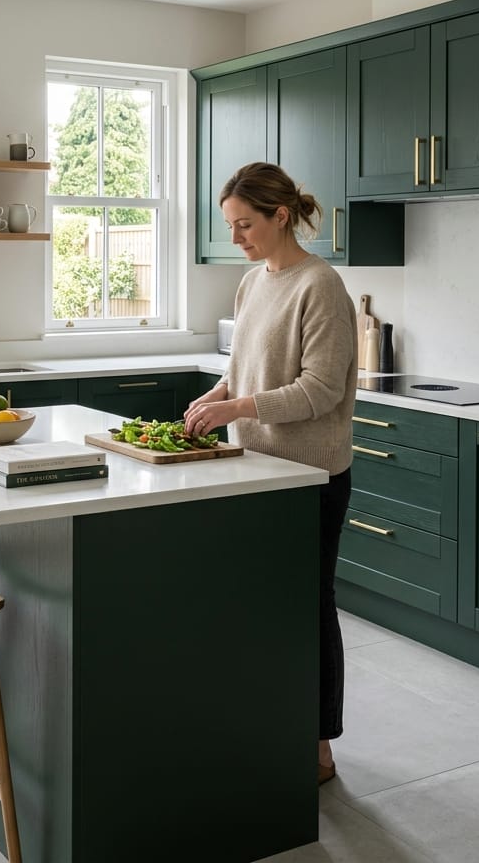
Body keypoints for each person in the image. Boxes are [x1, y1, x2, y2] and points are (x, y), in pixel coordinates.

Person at [183, 161, 356, 787]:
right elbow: (246, 368)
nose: (236, 238)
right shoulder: (253, 283)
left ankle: (318, 744)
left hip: (309, 477)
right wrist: (216, 396)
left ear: (281, 216)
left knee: (307, 607)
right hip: (252, 469)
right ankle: (268, 723)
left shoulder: (321, 287)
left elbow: (320, 390)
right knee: (259, 604)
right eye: (230, 225)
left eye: (244, 224)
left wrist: (236, 406)